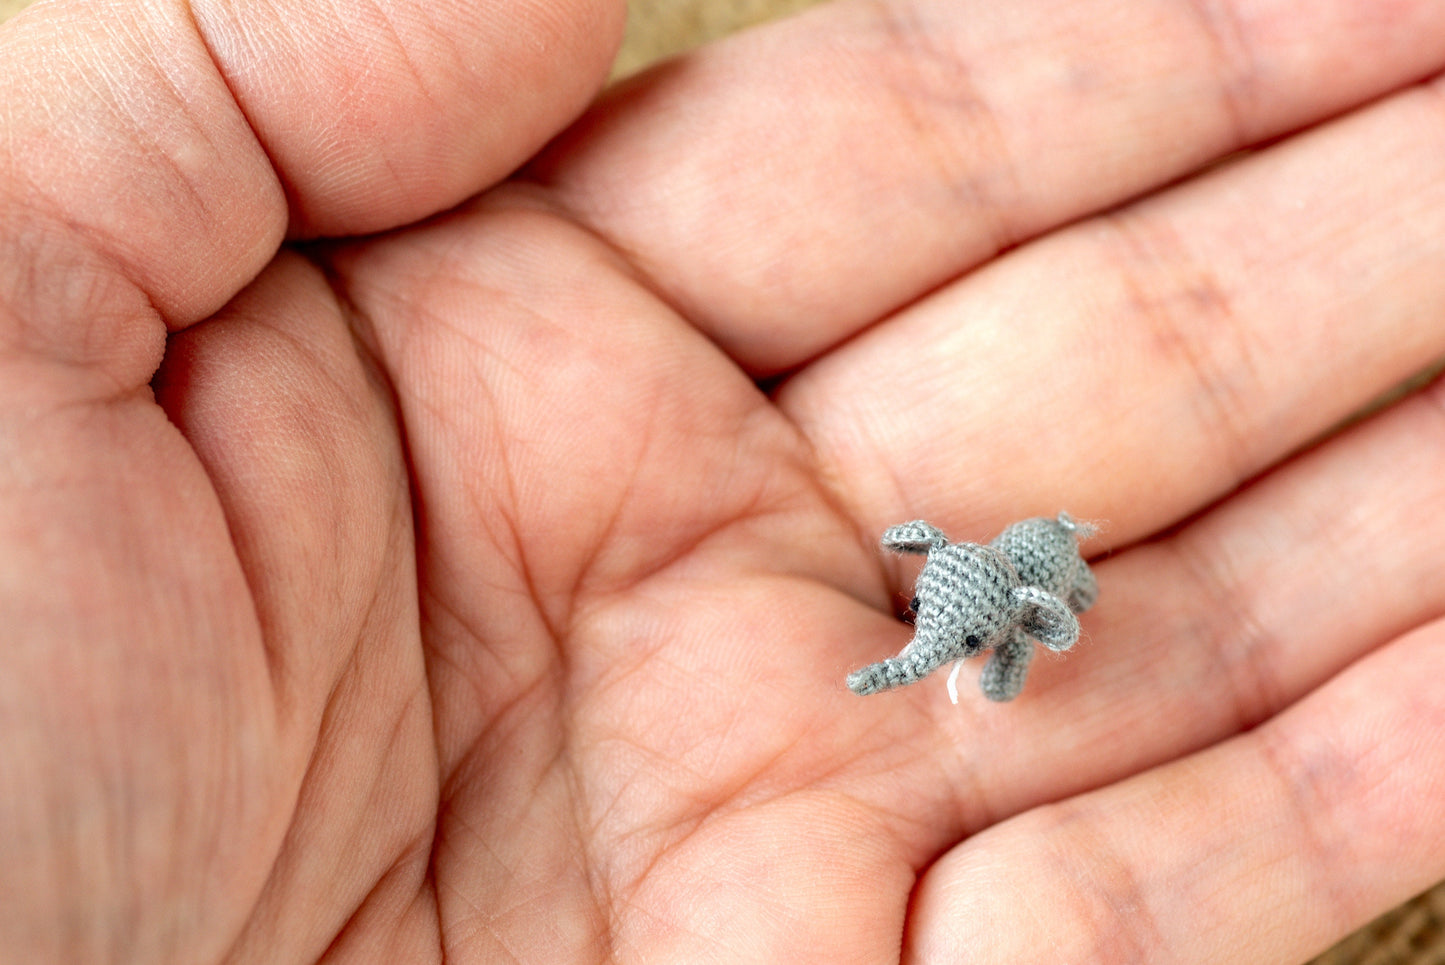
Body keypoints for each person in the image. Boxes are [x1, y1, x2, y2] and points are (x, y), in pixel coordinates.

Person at [2, 0, 1442, 961]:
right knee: (958, 643)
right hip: (956, 586)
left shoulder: (1029, 584)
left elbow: (1033, 588)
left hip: (968, 577)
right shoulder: (994, 599)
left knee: (985, 632)